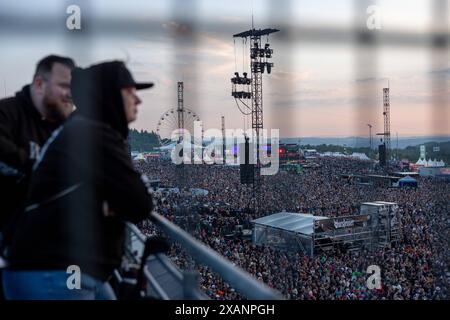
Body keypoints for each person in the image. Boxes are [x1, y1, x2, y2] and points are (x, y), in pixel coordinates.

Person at [2, 61, 154, 300]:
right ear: (111, 96)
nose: (138, 100)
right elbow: (140, 203)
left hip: (48, 267)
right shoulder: (93, 134)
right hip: (54, 273)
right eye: (131, 93)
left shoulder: (82, 127)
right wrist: (112, 201)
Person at [0, 55, 76, 236]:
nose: (71, 94)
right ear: (40, 84)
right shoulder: (7, 113)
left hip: (51, 243)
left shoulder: (68, 128)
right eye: (64, 86)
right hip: (9, 242)